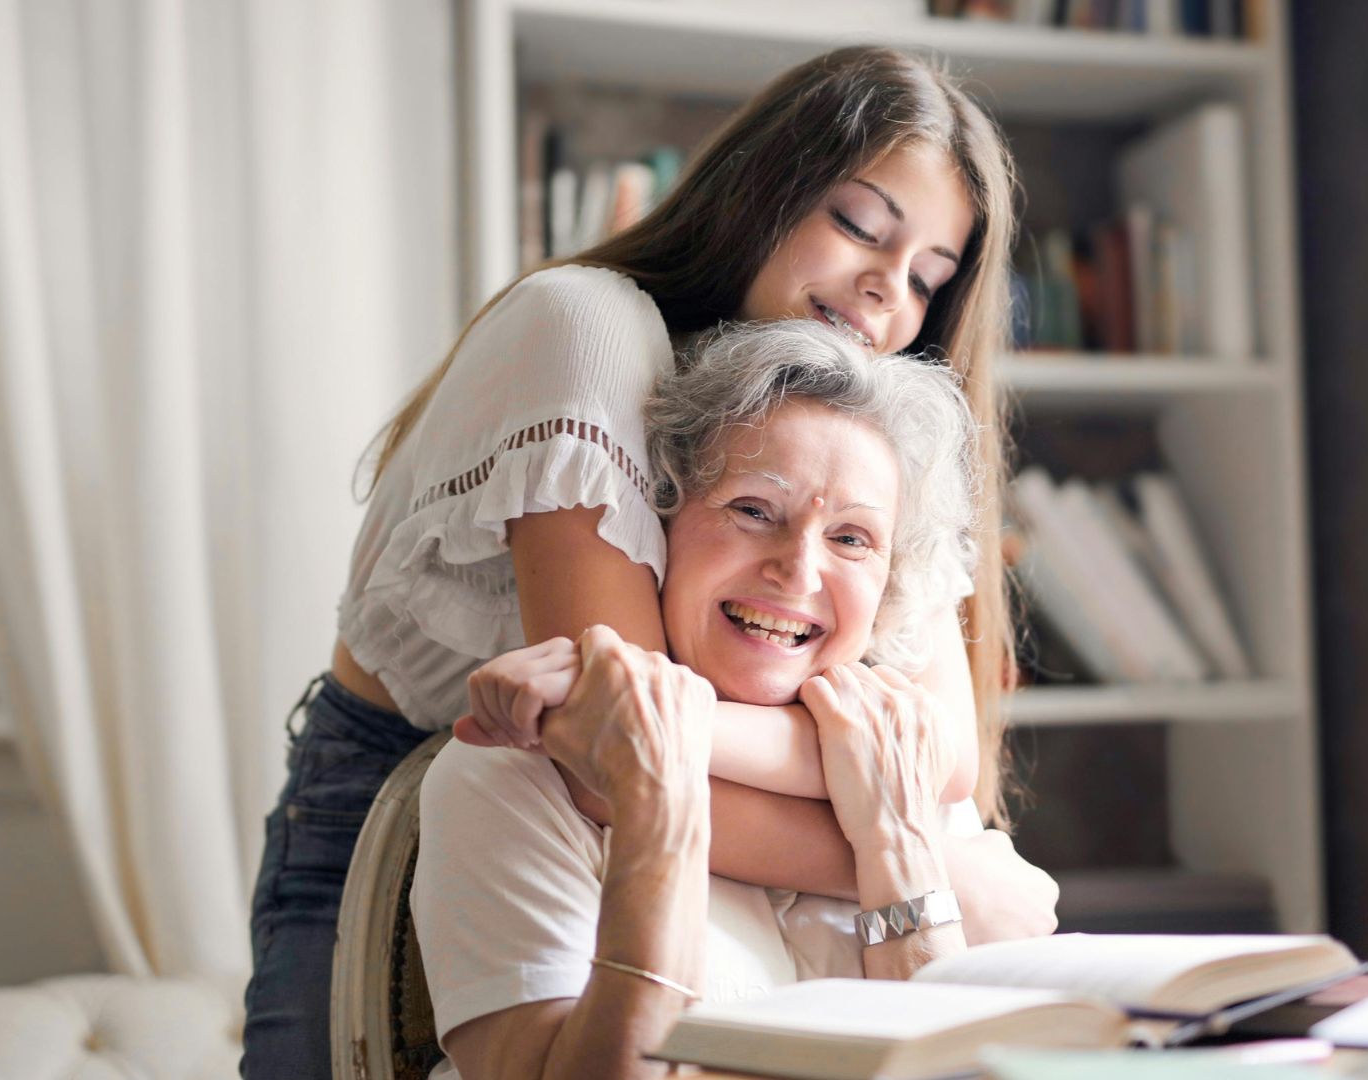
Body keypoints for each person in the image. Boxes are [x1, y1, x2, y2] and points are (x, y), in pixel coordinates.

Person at [241, 45, 1052, 1078]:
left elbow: (940, 753)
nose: (887, 289)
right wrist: (915, 858)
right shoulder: (586, 328)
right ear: (764, 191)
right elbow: (616, 751)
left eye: (929, 280)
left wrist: (893, 818)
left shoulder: (865, 423)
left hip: (685, 829)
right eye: (857, 225)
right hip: (413, 807)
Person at [419, 320, 1005, 1079]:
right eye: (754, 510)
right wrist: (654, 801)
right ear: (661, 522)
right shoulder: (514, 780)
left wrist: (900, 848)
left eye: (853, 539)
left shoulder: (910, 782)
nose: (797, 572)